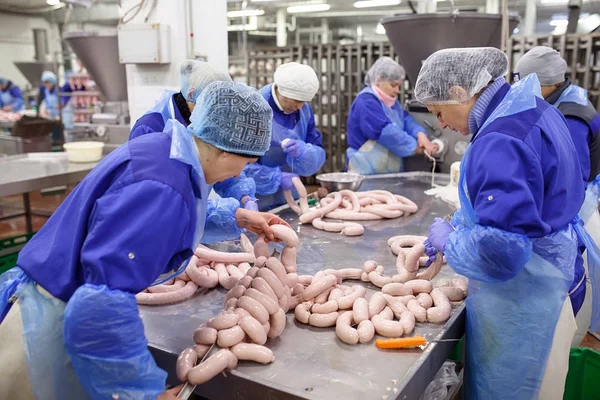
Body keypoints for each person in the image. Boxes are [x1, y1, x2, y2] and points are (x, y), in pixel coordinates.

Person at [0, 81, 289, 400]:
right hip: (50, 328)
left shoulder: (168, 153)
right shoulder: (162, 185)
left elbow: (178, 212)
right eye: (245, 163)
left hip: (56, 304)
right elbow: (101, 304)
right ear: (224, 149)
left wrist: (236, 216)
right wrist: (142, 394)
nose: (239, 175)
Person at [417, 47, 587, 399]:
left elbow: (502, 252)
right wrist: (462, 223)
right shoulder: (530, 108)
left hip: (525, 299)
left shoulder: (500, 139)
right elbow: (520, 197)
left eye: (438, 112)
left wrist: (451, 241)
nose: (443, 125)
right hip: (557, 276)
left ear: (458, 92)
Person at [514, 46, 600, 330]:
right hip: (572, 201)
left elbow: (568, 177)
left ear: (545, 83)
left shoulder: (571, 116)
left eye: (527, 82)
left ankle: (573, 332)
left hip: (576, 205)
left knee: (571, 278)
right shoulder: (562, 100)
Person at [130, 60, 260, 213]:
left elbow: (221, 167)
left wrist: (244, 196)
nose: (220, 110)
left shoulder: (211, 124)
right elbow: (153, 201)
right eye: (214, 101)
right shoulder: (149, 128)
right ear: (192, 94)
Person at [244, 62, 326, 211]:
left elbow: (317, 149)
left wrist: (304, 152)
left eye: (304, 102)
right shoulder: (253, 109)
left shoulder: (303, 110)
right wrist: (275, 177)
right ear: (281, 92)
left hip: (291, 196)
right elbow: (236, 166)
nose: (300, 107)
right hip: (256, 199)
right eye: (297, 101)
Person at [346, 57, 437, 174]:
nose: (397, 91)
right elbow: (387, 133)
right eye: (393, 85)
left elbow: (405, 119)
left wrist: (420, 134)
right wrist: (415, 147)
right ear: (379, 79)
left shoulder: (392, 103)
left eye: (399, 86)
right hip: (365, 170)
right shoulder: (366, 102)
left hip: (387, 171)